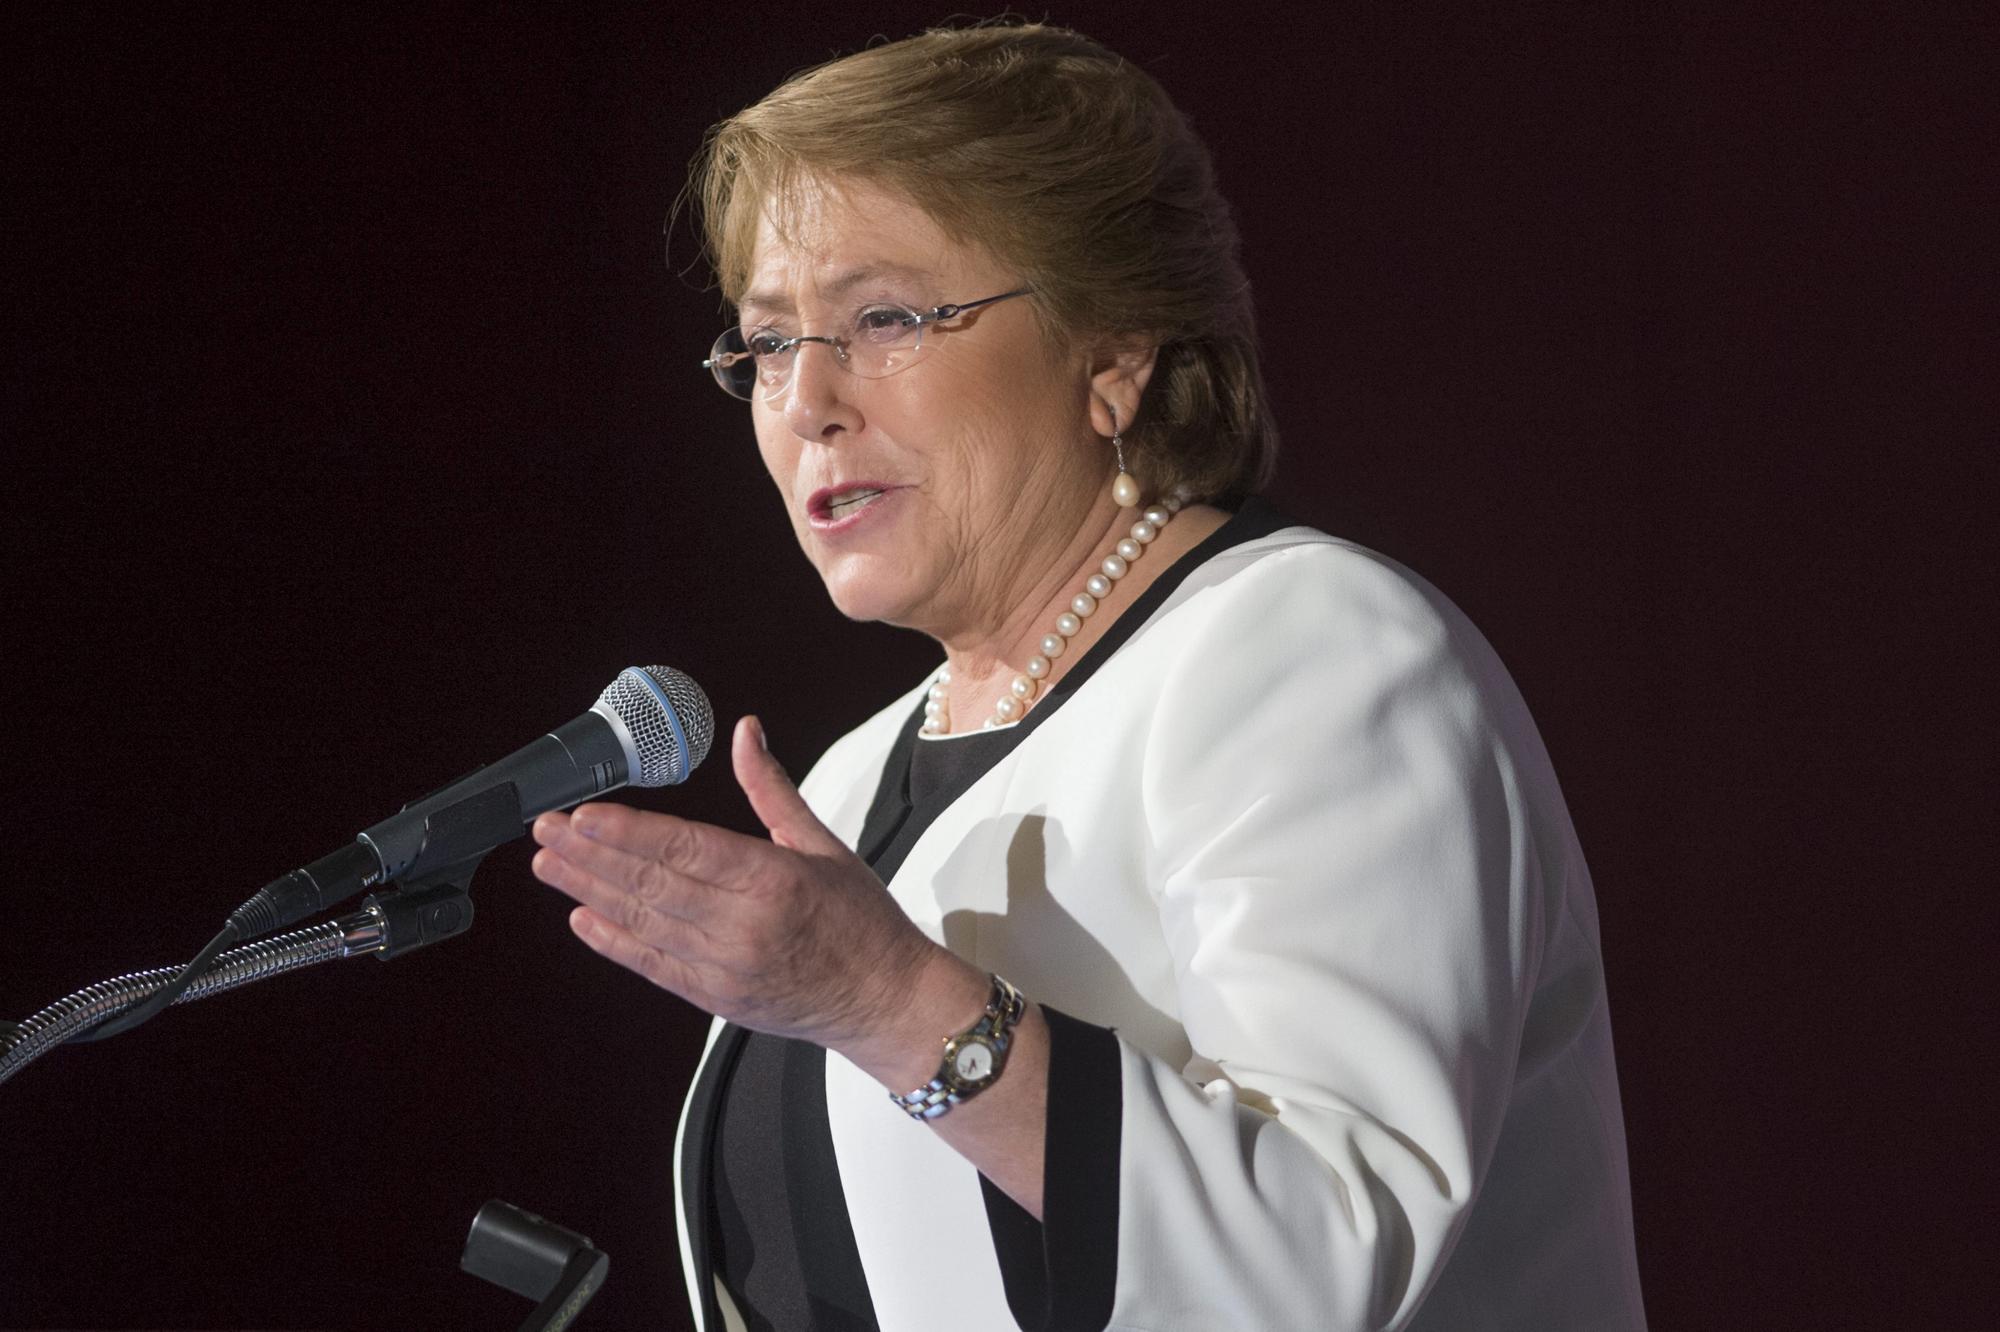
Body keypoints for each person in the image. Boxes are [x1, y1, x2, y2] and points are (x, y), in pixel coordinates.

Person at [527, 22, 1646, 1331]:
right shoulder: (851, 776)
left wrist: (892, 1002)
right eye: (768, 343)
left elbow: (1320, 1262)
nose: (808, 399)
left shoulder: (1316, 654)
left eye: (881, 318)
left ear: (1111, 350)